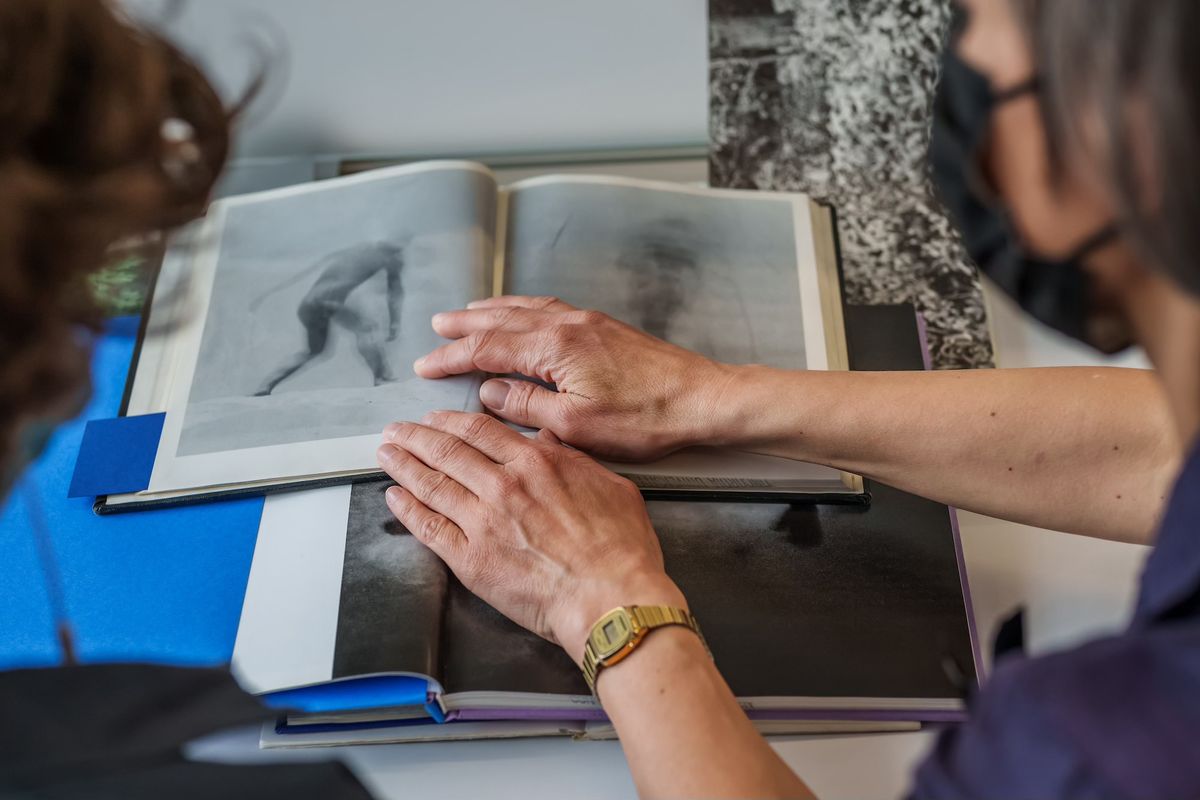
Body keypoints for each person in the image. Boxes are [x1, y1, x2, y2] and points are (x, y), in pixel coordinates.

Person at [374, 0, 1200, 796]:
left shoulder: (1103, 751)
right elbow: (1171, 455)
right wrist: (707, 397)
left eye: (977, 24)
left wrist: (604, 600)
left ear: (1117, 130)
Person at [252, 240, 406, 396]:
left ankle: (267, 384)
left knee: (313, 351)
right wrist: (394, 323)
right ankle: (381, 377)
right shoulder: (388, 258)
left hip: (308, 305)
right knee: (366, 329)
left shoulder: (353, 252)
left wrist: (265, 295)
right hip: (329, 303)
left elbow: (308, 270)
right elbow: (394, 294)